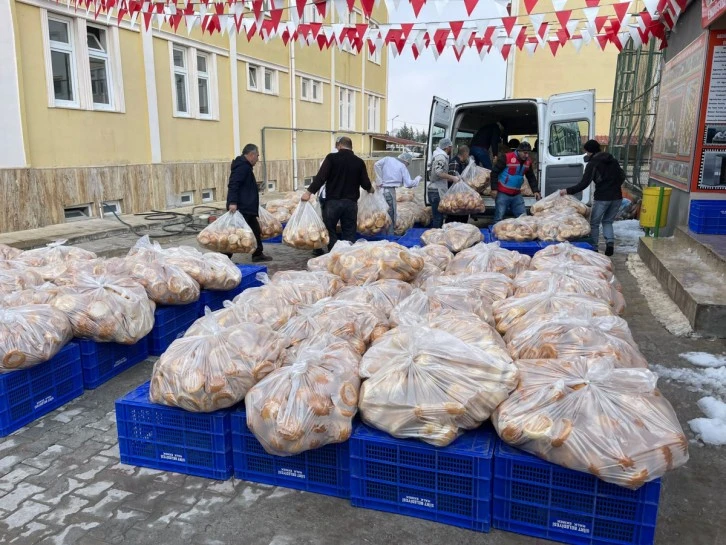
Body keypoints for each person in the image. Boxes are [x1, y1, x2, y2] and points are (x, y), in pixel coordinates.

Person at [303, 136, 373, 250]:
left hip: (332, 203)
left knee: (330, 231)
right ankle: (346, 259)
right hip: (351, 204)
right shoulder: (359, 162)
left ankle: (333, 257)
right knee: (349, 232)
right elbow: (365, 183)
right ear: (351, 147)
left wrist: (309, 192)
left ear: (340, 145)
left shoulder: (331, 158)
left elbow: (321, 177)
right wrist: (370, 189)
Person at [559, 139, 625, 256]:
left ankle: (594, 247)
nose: (586, 154)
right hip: (617, 197)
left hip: (602, 197)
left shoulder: (593, 163)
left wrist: (568, 190)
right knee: (608, 221)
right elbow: (622, 176)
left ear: (590, 151)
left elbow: (584, 183)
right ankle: (609, 243)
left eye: (586, 152)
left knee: (594, 223)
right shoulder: (612, 160)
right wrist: (613, 186)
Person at [226, 143, 272, 263]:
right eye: (257, 155)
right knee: (235, 232)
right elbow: (233, 184)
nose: (258, 159)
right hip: (242, 208)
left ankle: (257, 253)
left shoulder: (244, 166)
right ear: (251, 155)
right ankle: (224, 257)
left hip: (247, 207)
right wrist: (232, 202)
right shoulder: (242, 167)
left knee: (255, 229)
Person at [491, 141, 541, 223]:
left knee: (523, 218)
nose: (527, 155)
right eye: (525, 153)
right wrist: (494, 189)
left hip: (516, 194)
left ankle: (523, 234)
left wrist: (535, 190)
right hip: (503, 193)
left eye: (528, 153)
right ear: (519, 151)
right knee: (499, 217)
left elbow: (531, 176)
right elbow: (494, 172)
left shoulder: (528, 162)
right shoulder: (506, 157)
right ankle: (495, 234)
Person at [374, 152, 422, 234]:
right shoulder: (402, 166)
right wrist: (418, 179)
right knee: (391, 217)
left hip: (381, 191)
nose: (407, 166)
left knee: (382, 215)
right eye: (408, 164)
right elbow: (409, 184)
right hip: (390, 191)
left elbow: (376, 164)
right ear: (406, 161)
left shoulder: (387, 159)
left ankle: (381, 235)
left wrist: (380, 179)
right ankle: (389, 237)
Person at [428, 138, 460, 228]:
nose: (451, 149)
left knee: (439, 217)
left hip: (435, 189)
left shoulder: (439, 156)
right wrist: (452, 177)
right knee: (438, 218)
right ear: (447, 147)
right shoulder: (441, 157)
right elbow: (438, 172)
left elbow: (438, 175)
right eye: (451, 147)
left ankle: (436, 236)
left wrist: (453, 179)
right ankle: (435, 239)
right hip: (436, 191)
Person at [446, 145, 471, 224]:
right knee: (454, 217)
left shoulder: (461, 162)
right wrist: (459, 180)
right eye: (468, 154)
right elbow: (450, 179)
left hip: (460, 194)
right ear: (465, 153)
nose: (468, 156)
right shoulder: (455, 162)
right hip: (454, 195)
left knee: (462, 216)